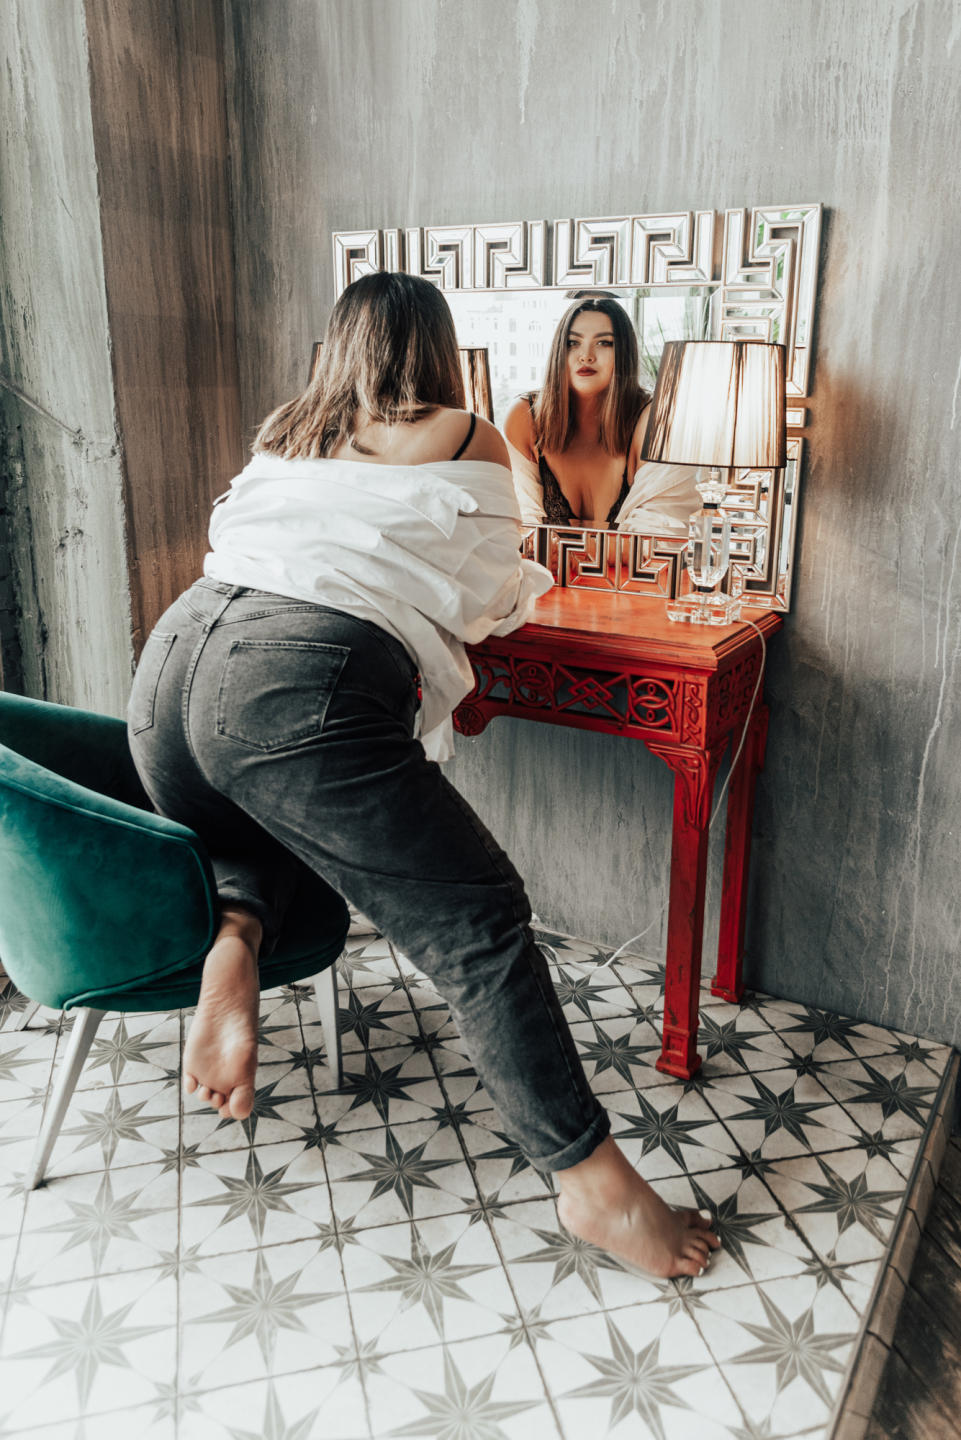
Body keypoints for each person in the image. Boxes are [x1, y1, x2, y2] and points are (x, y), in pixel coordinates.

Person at [126, 271, 719, 1280]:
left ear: (339, 343)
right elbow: (487, 594)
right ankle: (594, 1185)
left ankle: (237, 928)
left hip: (171, 672)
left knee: (280, 809)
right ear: (439, 347)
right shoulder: (466, 432)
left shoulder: (288, 430)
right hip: (289, 685)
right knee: (478, 920)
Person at [504, 295, 699, 532]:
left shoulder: (656, 421)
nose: (586, 355)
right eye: (572, 343)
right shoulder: (526, 416)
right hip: (544, 560)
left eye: (604, 343)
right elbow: (518, 527)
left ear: (624, 353)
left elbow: (661, 533)